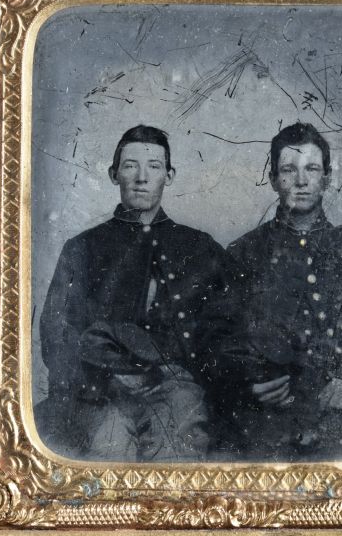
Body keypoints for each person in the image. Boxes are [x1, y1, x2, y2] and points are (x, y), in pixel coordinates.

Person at [35, 125, 233, 462]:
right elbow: (58, 332)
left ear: (169, 176)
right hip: (100, 390)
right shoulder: (82, 248)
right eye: (130, 166)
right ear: (114, 175)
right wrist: (101, 380)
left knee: (176, 453)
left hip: (177, 390)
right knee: (107, 447)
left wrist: (182, 375)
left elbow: (223, 328)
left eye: (154, 166)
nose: (141, 177)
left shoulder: (199, 248)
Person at [219, 122, 342, 461]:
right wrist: (246, 383)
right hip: (265, 423)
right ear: (273, 179)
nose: (301, 181)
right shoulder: (243, 253)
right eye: (289, 170)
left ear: (326, 179)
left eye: (311, 169)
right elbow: (219, 336)